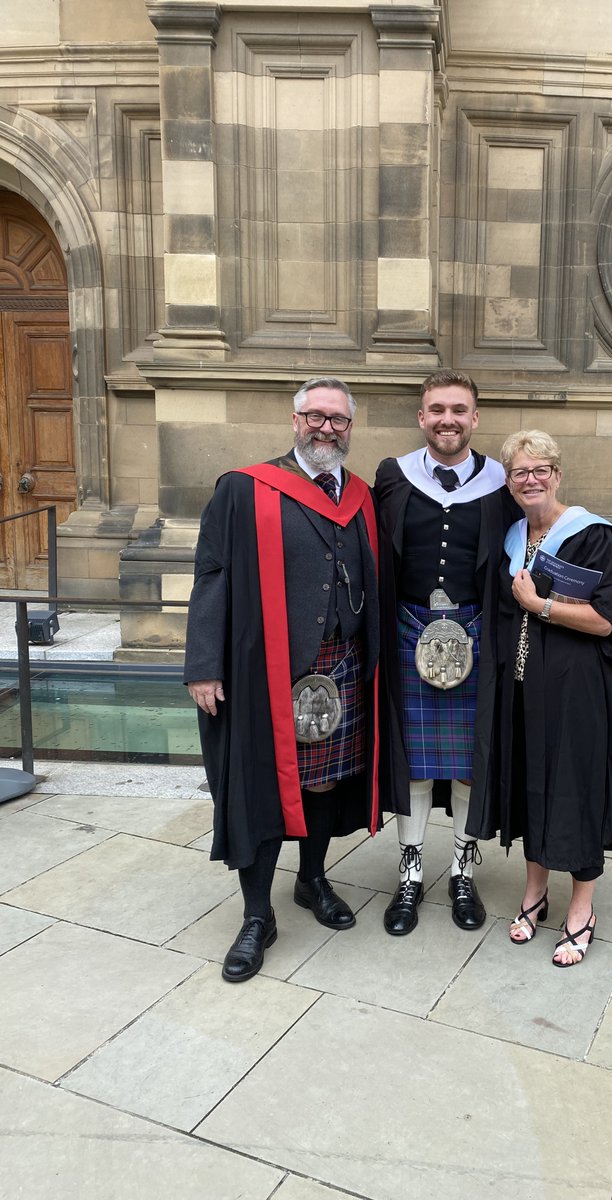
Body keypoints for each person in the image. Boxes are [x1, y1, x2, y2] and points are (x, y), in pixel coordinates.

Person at [184, 378, 380, 982]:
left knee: (324, 783)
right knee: (261, 786)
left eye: (338, 419)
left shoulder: (363, 497)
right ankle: (256, 916)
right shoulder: (244, 489)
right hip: (264, 668)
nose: (327, 428)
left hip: (343, 662)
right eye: (315, 416)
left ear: (350, 427)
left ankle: (312, 879)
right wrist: (204, 665)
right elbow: (212, 574)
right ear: (295, 420)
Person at [375, 369, 518, 935]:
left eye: (458, 410)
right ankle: (410, 873)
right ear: (422, 417)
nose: (447, 420)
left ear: (475, 418)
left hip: (476, 632)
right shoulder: (394, 475)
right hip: (409, 629)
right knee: (413, 762)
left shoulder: (502, 483)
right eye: (437, 409)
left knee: (467, 765)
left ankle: (462, 870)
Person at [497, 429, 612, 967]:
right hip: (524, 690)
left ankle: (581, 909)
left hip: (578, 693)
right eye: (519, 472)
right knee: (532, 788)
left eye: (540, 470)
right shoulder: (513, 537)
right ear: (509, 481)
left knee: (576, 791)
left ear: (557, 475)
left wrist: (539, 605)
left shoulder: (594, 536)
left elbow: (604, 621)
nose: (530, 479)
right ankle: (535, 892)